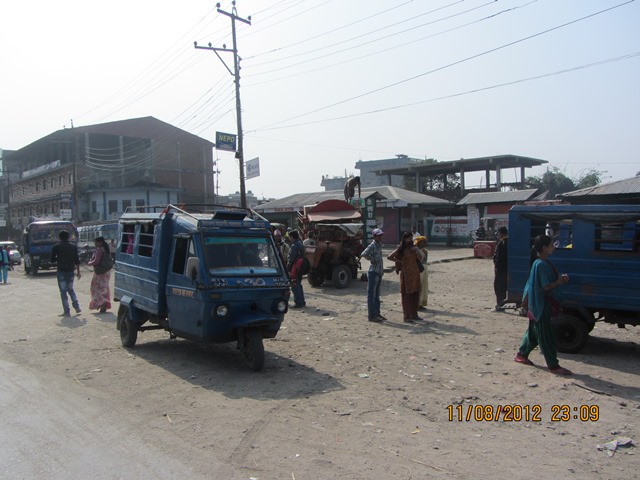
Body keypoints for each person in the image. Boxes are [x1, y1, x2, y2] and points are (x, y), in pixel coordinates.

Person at [514, 234, 572, 375]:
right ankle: (553, 365)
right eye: (552, 245)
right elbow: (546, 287)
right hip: (542, 305)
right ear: (545, 248)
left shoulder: (539, 262)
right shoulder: (541, 264)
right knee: (547, 337)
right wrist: (559, 282)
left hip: (536, 304)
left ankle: (521, 354)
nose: (554, 247)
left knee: (534, 333)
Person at [387, 231, 423, 323]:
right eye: (408, 238)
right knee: (406, 295)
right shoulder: (401, 248)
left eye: (411, 238)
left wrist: (416, 250)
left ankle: (414, 314)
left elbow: (420, 258)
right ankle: (407, 316)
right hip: (406, 274)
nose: (410, 240)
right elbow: (390, 256)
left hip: (415, 273)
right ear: (404, 239)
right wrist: (400, 261)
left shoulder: (414, 248)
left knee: (415, 294)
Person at [50, 230, 82, 317]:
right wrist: (78, 272)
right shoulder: (73, 246)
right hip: (71, 270)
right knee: (70, 289)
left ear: (59, 237)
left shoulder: (56, 247)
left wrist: (59, 258)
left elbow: (52, 259)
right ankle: (76, 306)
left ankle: (66, 311)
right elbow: (77, 260)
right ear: (68, 237)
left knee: (63, 291)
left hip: (61, 271)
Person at [360, 228, 386, 322]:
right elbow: (364, 254)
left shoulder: (379, 245)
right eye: (379, 236)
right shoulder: (372, 245)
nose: (380, 237)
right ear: (374, 236)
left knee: (377, 295)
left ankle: (377, 313)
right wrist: (372, 259)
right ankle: (371, 316)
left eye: (381, 235)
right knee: (371, 295)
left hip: (379, 272)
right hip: (373, 272)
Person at [87, 236, 113, 313]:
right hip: (107, 271)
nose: (95, 243)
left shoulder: (99, 250)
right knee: (105, 287)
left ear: (100, 242)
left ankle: (101, 302)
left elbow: (96, 261)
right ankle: (105, 303)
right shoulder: (106, 249)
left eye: (95, 242)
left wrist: (89, 263)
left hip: (100, 271)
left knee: (95, 288)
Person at [287, 230, 306, 308]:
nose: (289, 238)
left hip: (295, 267)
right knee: (299, 284)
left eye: (289, 237)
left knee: (295, 285)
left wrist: (288, 268)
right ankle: (302, 301)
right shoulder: (300, 244)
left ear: (292, 237)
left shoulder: (294, 246)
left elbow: (291, 259)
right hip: (301, 266)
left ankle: (298, 302)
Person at [493, 226, 509, 311]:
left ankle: (500, 305)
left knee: (499, 288)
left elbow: (499, 258)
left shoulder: (502, 243)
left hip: (501, 270)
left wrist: (496, 268)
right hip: (506, 269)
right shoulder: (509, 241)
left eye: (498, 233)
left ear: (502, 233)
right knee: (503, 288)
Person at [414, 236, 429, 310]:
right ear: (419, 243)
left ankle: (421, 303)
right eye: (424, 242)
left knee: (424, 286)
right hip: (418, 269)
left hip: (424, 268)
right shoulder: (415, 251)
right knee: (419, 286)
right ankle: (416, 303)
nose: (425, 243)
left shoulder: (425, 251)